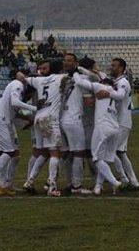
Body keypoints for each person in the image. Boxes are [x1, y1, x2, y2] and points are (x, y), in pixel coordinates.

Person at [0, 78, 37, 196]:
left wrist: (29, 121)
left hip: (4, 122)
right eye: (30, 95)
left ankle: (3, 185)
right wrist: (34, 108)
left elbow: (15, 114)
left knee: (12, 154)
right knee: (6, 153)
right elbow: (15, 103)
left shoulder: (17, 92)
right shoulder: (18, 85)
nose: (29, 98)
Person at [19, 59, 66, 197]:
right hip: (50, 118)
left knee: (42, 153)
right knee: (55, 153)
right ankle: (52, 187)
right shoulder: (61, 77)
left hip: (38, 118)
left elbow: (21, 77)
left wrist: (30, 74)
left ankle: (30, 181)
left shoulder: (38, 81)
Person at [74, 75, 124, 195]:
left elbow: (80, 83)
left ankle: (114, 182)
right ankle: (98, 186)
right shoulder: (115, 93)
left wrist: (75, 72)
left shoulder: (100, 86)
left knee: (96, 158)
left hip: (102, 127)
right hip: (115, 128)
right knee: (104, 159)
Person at [97, 58, 139, 191]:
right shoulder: (117, 81)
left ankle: (124, 179)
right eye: (111, 65)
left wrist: (107, 93)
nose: (112, 68)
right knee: (121, 152)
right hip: (122, 121)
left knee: (109, 151)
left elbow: (120, 96)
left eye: (114, 66)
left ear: (121, 68)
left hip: (121, 122)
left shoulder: (123, 82)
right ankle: (133, 182)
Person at [59, 53, 92, 195]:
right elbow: (89, 102)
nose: (66, 63)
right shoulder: (82, 79)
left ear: (75, 62)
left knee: (66, 154)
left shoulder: (60, 79)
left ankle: (69, 183)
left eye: (69, 61)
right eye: (65, 60)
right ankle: (77, 186)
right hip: (74, 119)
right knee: (79, 153)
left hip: (62, 120)